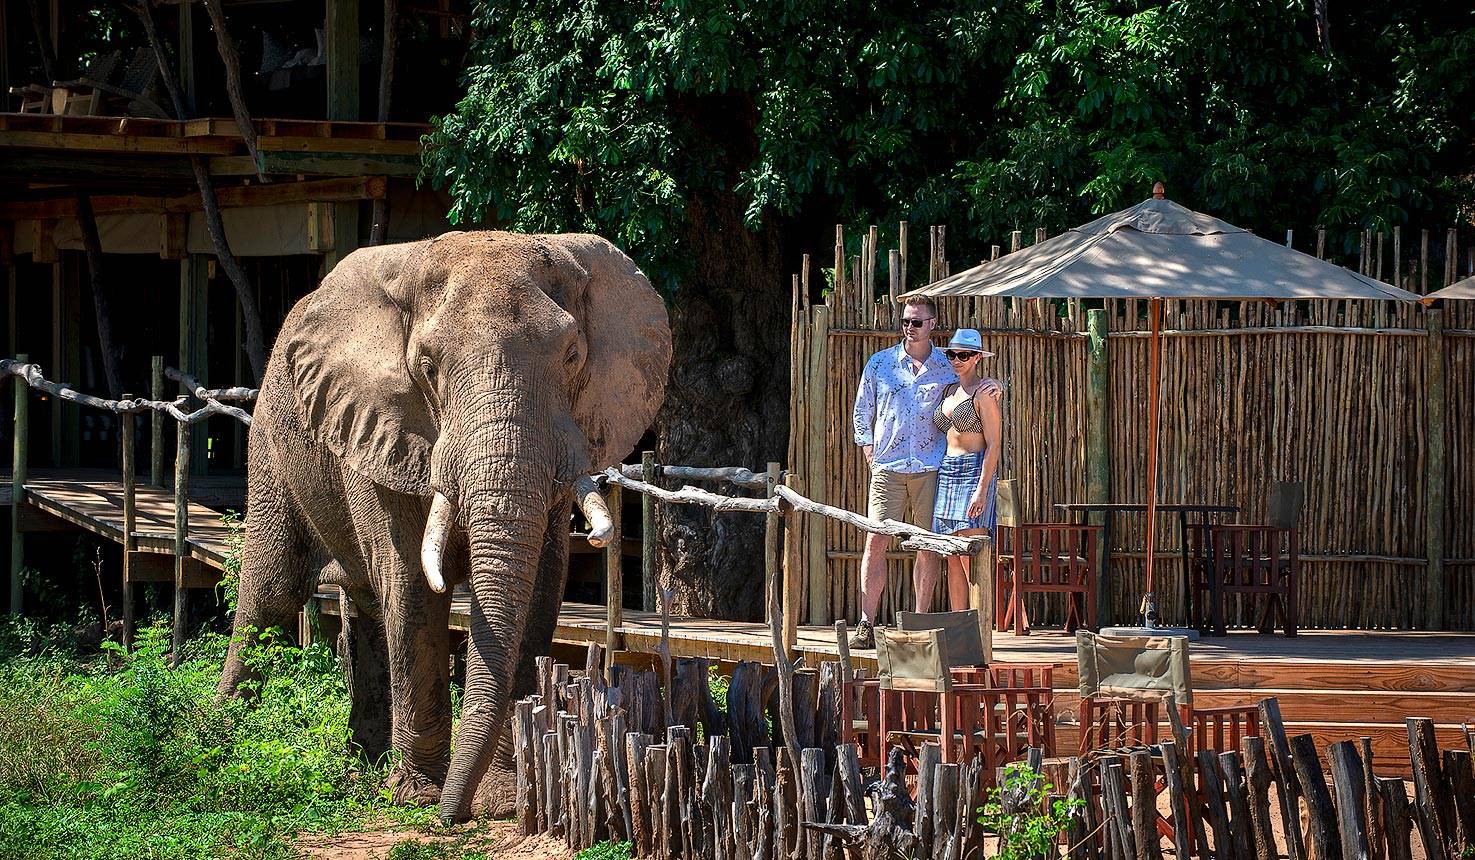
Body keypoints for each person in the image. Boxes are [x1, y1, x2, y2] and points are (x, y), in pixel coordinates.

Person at [849, 297, 1000, 649]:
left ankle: (919, 621)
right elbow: (861, 412)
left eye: (917, 322)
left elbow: (975, 386)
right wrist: (870, 454)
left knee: (929, 546)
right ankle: (866, 624)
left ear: (932, 324)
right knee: (876, 541)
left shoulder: (947, 366)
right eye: (905, 321)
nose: (909, 327)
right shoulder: (880, 363)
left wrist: (998, 385)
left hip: (931, 468)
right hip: (887, 467)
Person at [930, 329, 1002, 612]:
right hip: (947, 471)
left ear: (976, 358)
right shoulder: (949, 390)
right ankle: (960, 625)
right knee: (951, 553)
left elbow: (994, 443)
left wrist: (982, 489)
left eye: (964, 355)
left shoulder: (985, 393)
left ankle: (981, 627)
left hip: (973, 470)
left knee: (972, 553)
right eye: (953, 354)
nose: (957, 360)